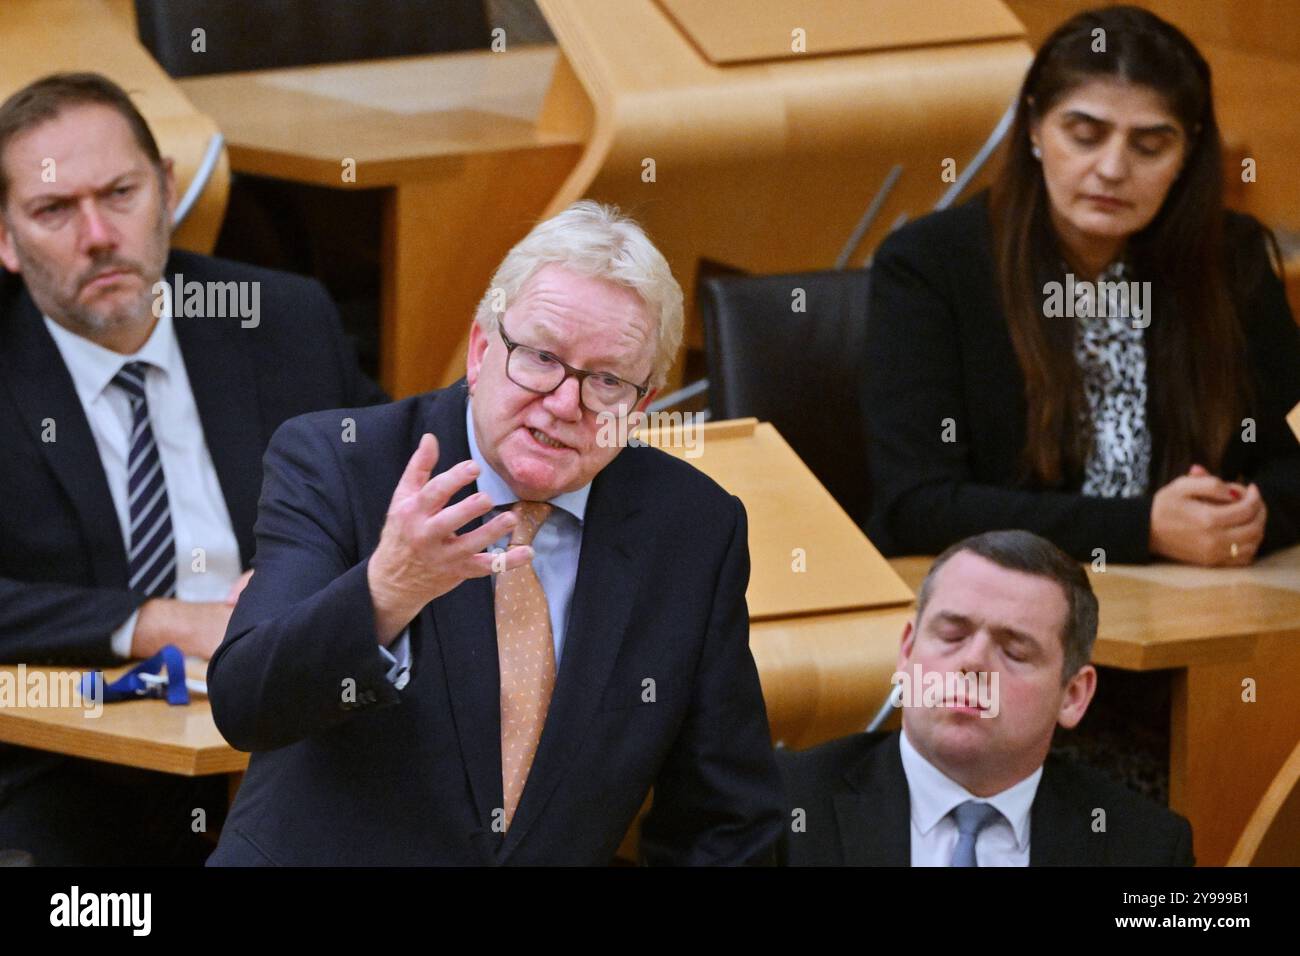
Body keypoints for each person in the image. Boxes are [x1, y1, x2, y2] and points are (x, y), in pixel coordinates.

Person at [205, 201, 784, 865]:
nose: (565, 404)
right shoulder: (340, 462)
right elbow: (247, 703)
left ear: (641, 405)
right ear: (482, 349)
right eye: (541, 357)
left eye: (606, 381)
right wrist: (389, 589)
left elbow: (728, 821)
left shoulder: (690, 530)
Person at [0, 73, 384, 864]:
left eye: (120, 193)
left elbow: (389, 487)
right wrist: (159, 622)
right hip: (63, 765)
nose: (99, 234)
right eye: (54, 210)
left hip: (293, 736)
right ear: (4, 239)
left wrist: (300, 591)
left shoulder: (280, 317)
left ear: (168, 188)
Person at [864, 5, 1300, 566]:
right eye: (1085, 135)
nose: (1113, 169)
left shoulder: (1229, 260)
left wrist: (1249, 513)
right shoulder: (931, 264)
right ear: (1034, 129)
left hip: (1171, 614)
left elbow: (1293, 451)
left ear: (1187, 151)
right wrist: (1143, 528)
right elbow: (918, 505)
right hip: (985, 619)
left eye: (1149, 146)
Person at [777, 530, 1194, 866]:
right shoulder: (782, 806)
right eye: (952, 636)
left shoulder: (1143, 848)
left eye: (1014, 651)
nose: (973, 663)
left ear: (1073, 695)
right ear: (906, 652)